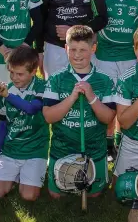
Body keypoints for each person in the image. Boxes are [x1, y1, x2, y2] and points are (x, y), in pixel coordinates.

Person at [43, 25, 116, 199]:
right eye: (73, 49)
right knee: (56, 195)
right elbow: (48, 116)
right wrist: (71, 98)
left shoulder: (105, 80)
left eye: (83, 49)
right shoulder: (56, 79)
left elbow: (107, 118)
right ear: (65, 48)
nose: (77, 55)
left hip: (94, 150)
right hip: (62, 149)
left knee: (94, 195)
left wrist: (91, 97)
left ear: (93, 48)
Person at [95, 0, 138, 160]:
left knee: (126, 101)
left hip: (130, 56)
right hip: (105, 56)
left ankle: (121, 141)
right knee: (108, 101)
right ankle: (107, 143)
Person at [0, 46, 49, 201]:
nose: (14, 77)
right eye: (11, 73)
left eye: (20, 74)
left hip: (35, 150)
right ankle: (16, 175)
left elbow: (31, 109)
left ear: (34, 71)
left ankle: (33, 173)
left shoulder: (43, 87)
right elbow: (2, 125)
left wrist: (8, 95)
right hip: (11, 150)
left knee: (28, 196)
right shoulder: (7, 91)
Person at [113, 24, 138, 184]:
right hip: (134, 142)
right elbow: (124, 122)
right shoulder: (126, 79)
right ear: (135, 50)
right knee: (120, 187)